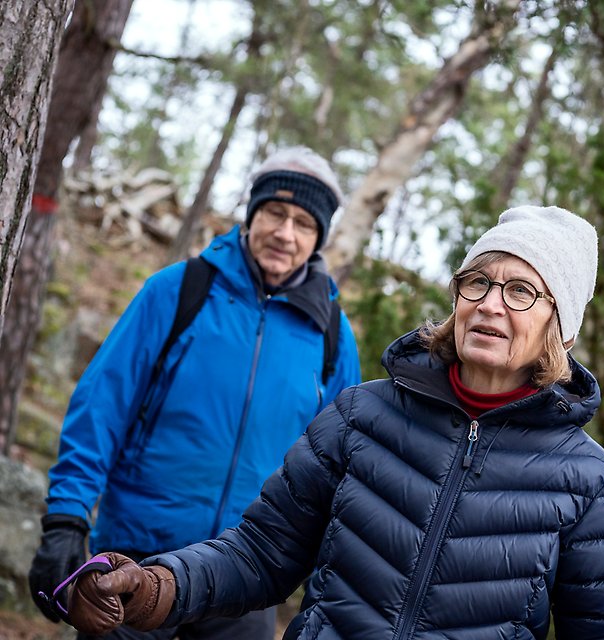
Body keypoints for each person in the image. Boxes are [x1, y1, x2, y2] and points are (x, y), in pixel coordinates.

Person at [59, 205, 604, 639]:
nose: (490, 304)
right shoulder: (361, 416)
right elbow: (261, 555)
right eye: (478, 281)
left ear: (561, 327)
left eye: (522, 292)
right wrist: (156, 584)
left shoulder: (590, 485)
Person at [29, 146, 363, 640]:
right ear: (252, 214)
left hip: (246, 576)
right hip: (134, 557)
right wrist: (65, 518)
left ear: (318, 239)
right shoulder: (178, 290)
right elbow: (102, 405)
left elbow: (340, 468)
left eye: (303, 222)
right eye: (274, 212)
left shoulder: (332, 334)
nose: (284, 233)